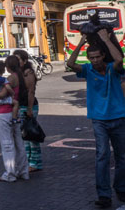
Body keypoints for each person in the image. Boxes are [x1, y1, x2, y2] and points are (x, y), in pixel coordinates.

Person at [67, 29, 125, 208]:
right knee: (102, 155)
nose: (95, 60)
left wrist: (106, 39)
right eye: (91, 58)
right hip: (99, 120)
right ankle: (104, 194)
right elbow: (70, 63)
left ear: (102, 56)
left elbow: (119, 60)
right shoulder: (87, 70)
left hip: (119, 117)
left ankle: (121, 188)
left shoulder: (112, 69)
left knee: (122, 156)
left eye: (97, 57)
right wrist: (82, 41)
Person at [0, 55, 29, 182]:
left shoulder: (11, 78)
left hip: (4, 112)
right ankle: (23, 171)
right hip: (15, 113)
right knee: (19, 143)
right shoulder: (20, 76)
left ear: (8, 66)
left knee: (7, 144)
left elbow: (1, 95)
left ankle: (10, 174)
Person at [14, 49, 42, 172]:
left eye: (18, 59)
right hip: (21, 106)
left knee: (31, 135)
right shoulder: (18, 72)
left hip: (29, 106)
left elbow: (31, 91)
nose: (16, 62)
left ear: (25, 60)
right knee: (25, 136)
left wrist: (29, 109)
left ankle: (35, 163)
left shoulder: (28, 72)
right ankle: (28, 161)